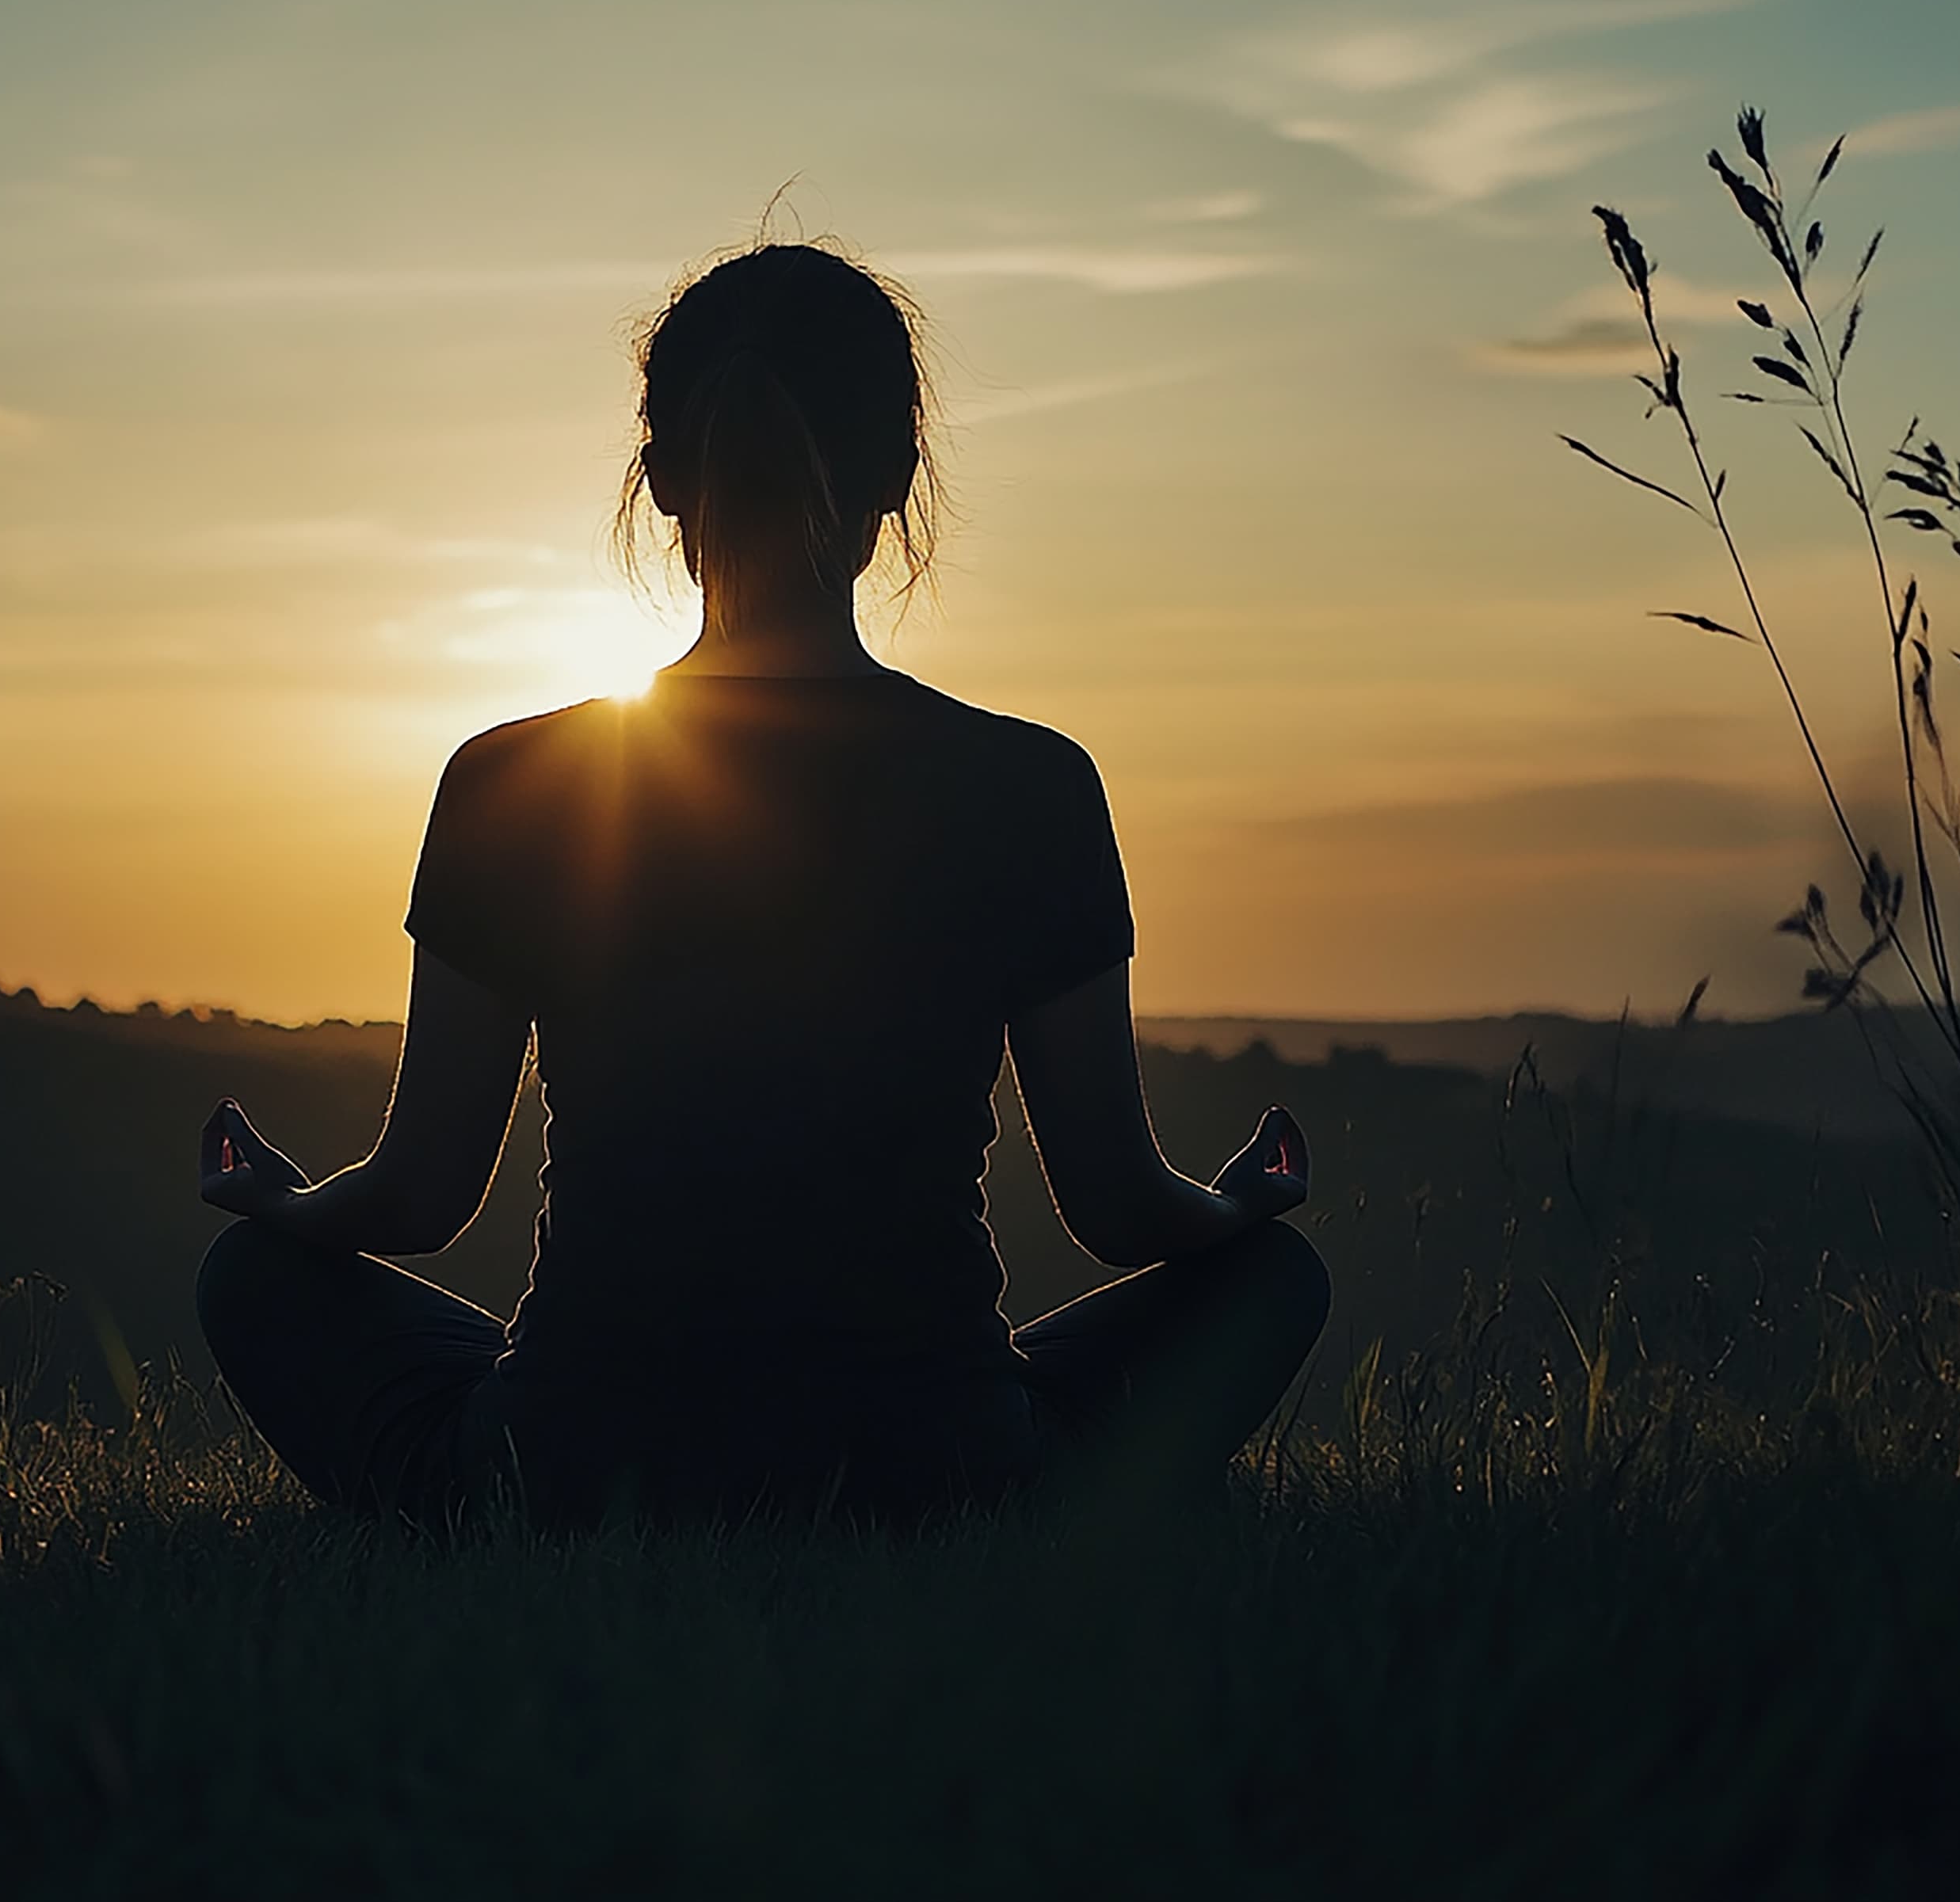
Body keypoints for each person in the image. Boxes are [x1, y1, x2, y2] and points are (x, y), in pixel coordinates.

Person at [193, 242, 1329, 1530]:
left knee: (254, 1282)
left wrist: (281, 1203)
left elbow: (420, 1199)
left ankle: (497, 1521)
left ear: (663, 476)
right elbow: (1123, 1212)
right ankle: (999, 1509)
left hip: (574, 1471)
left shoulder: (514, 778)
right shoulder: (1031, 784)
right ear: (899, 476)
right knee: (1271, 1285)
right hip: (937, 1469)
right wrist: (1239, 1207)